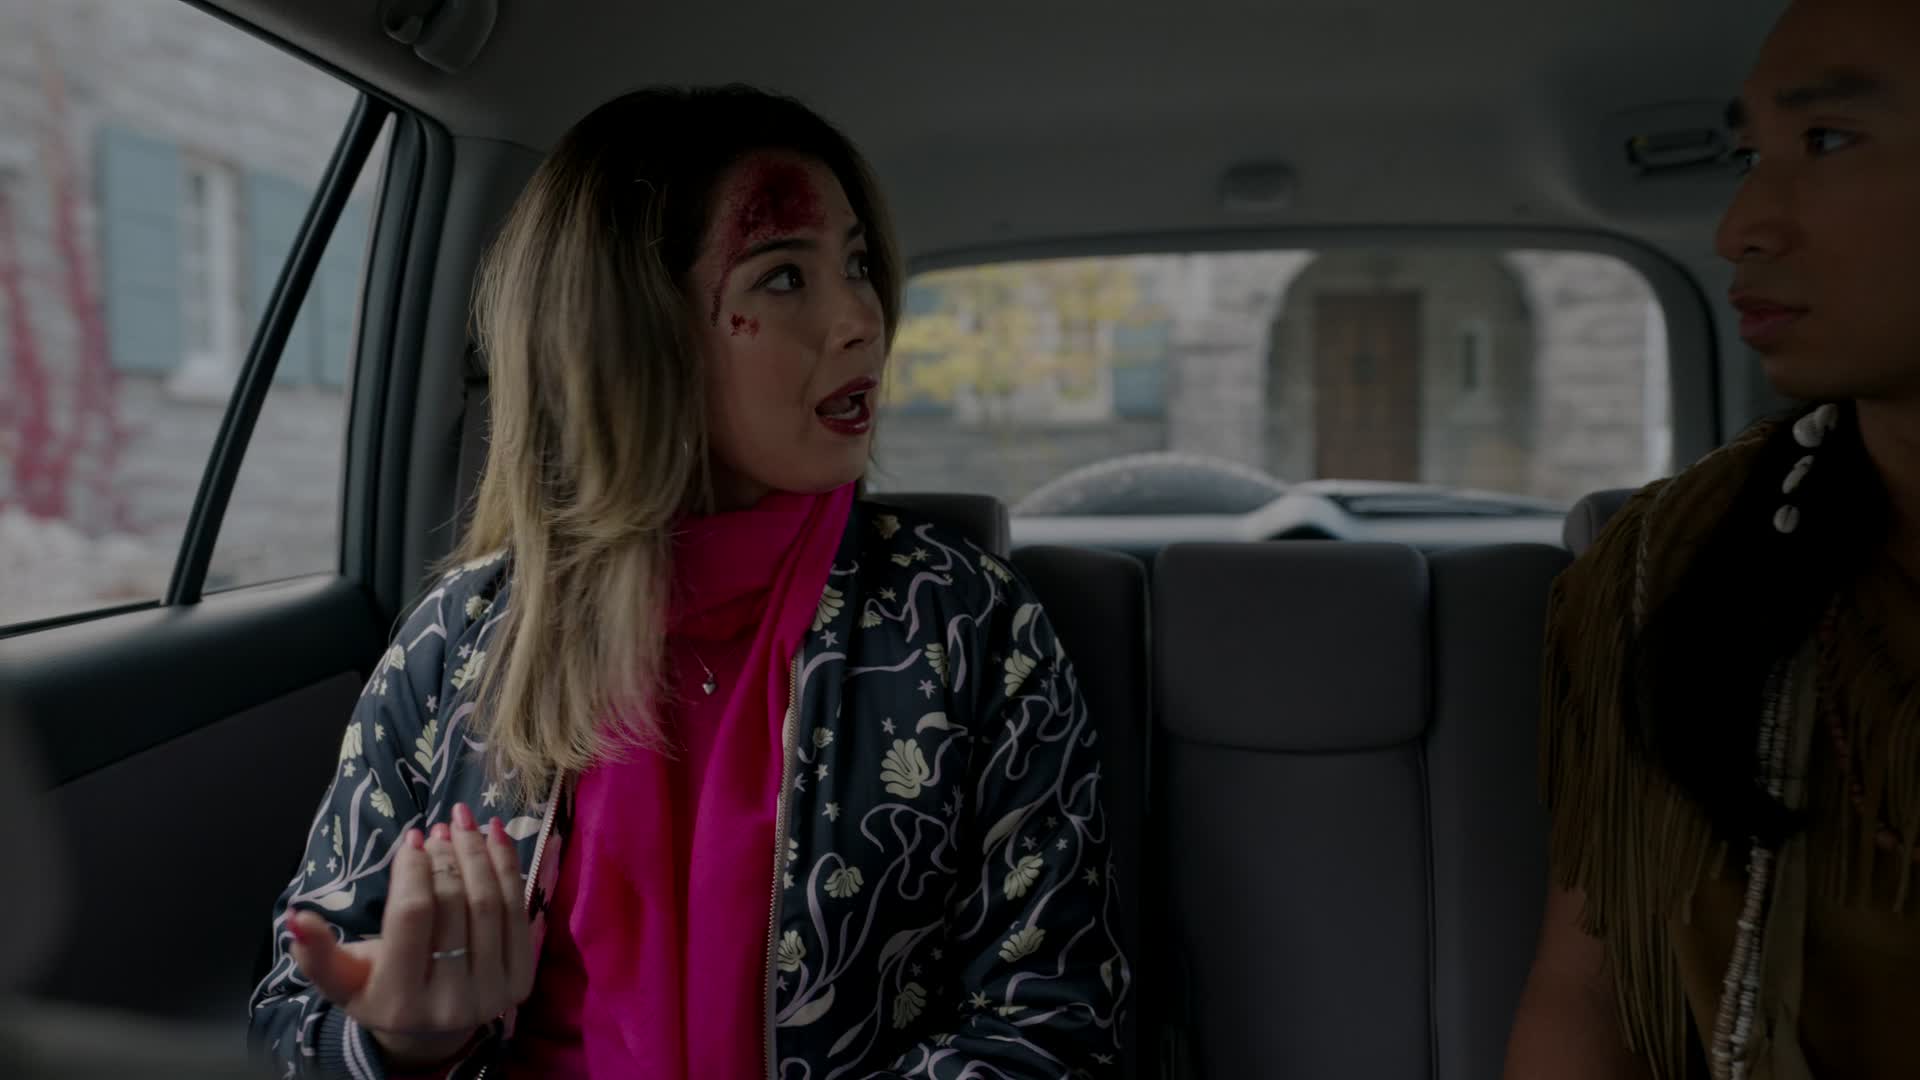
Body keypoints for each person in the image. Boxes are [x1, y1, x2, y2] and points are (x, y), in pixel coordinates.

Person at [247, 85, 1128, 1079]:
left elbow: (1049, 1026)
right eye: (784, 276)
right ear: (633, 332)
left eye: (858, 265)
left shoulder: (967, 623)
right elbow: (295, 1014)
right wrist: (404, 1042)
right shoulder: (460, 642)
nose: (862, 320)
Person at [1504, 1, 1920, 1077]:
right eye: (1749, 156)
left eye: (1828, 140)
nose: (1740, 227)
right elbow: (1585, 998)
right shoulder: (1660, 569)